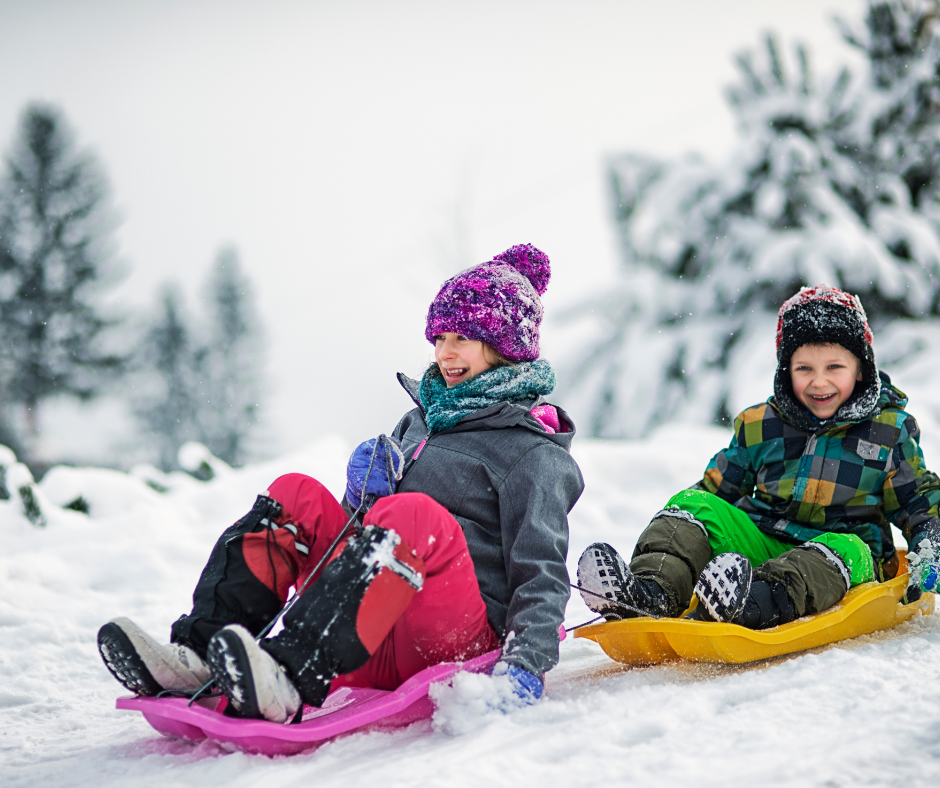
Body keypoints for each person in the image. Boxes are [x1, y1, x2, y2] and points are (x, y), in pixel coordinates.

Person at [98, 244, 584, 722]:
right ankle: (200, 655)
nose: (444, 353)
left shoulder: (533, 453)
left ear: (504, 347)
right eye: (438, 337)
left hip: (452, 640)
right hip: (367, 635)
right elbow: (369, 532)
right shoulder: (419, 422)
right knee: (294, 493)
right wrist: (360, 498)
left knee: (414, 514)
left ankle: (292, 674)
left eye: (462, 338)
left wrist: (526, 665)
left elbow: (540, 573)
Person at [578, 284, 940, 629]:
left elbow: (919, 501)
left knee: (845, 547)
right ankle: (650, 593)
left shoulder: (888, 430)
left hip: (845, 560)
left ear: (860, 369)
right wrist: (686, 533)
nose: (819, 382)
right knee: (692, 504)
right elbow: (716, 491)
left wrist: (930, 546)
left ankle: (748, 604)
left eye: (834, 367)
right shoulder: (761, 425)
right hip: (765, 544)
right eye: (804, 369)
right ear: (786, 370)